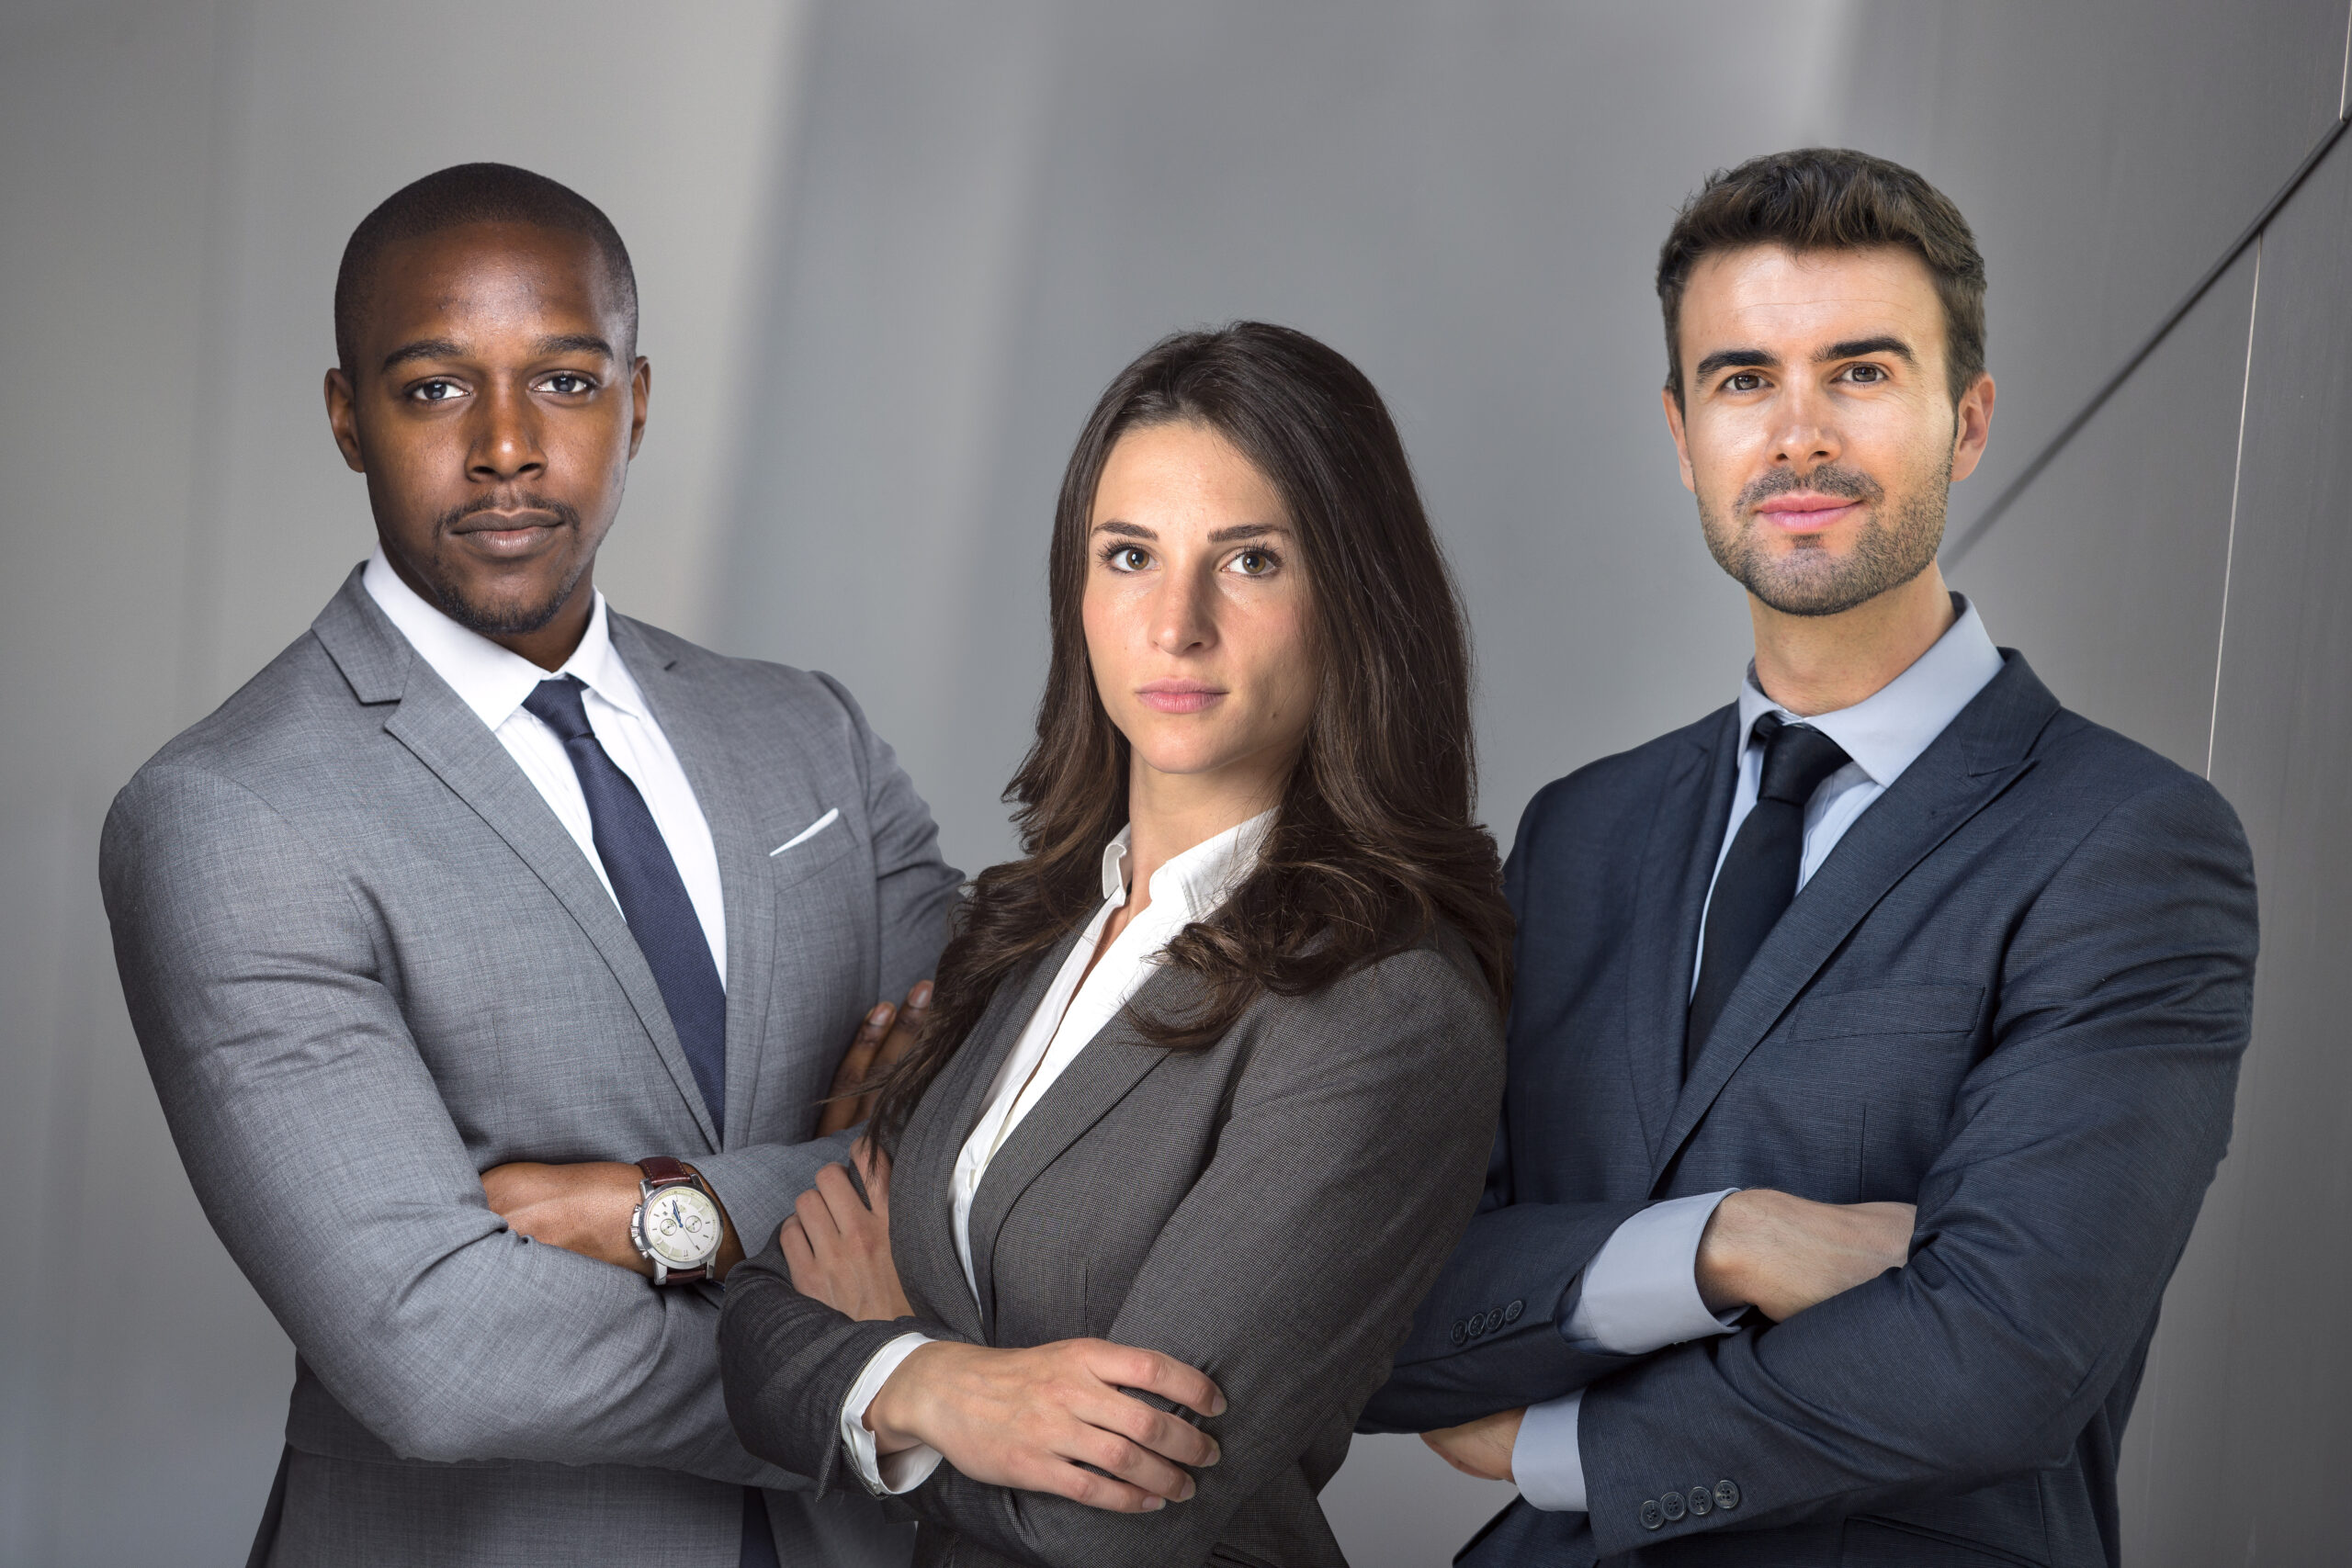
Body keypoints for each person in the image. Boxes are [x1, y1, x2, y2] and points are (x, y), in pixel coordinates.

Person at [1363, 148, 2260, 1566]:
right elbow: (1399, 1312)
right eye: (1742, 380)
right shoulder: (1579, 835)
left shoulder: (2127, 846)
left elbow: (1997, 1359)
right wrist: (1731, 1243)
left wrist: (1557, 1441)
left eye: (1859, 373)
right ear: (1679, 432)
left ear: (1966, 420)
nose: (1797, 438)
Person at [99, 164, 959, 1568]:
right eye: (436, 389)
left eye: (563, 382)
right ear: (345, 416)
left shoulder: (809, 735)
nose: (507, 445)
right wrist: (891, 1377)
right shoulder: (230, 813)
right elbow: (437, 1348)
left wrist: (665, 1215)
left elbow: (1016, 1142)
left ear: (636, 397)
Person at [716, 322, 1513, 1567]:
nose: (1176, 623)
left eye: (1249, 560)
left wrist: (890, 1370)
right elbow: (758, 1330)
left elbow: (1116, 1517)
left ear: (1351, 599)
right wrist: (933, 1384)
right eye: (1130, 556)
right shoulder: (1021, 930)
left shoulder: (1384, 1009)